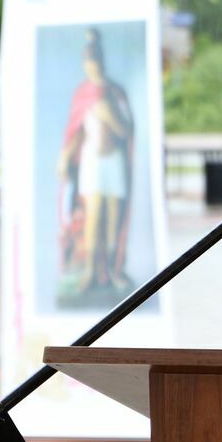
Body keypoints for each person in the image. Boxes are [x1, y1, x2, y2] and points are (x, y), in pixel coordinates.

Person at [57, 28, 135, 298]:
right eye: (88, 62)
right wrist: (65, 156)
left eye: (95, 60)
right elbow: (76, 131)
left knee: (114, 213)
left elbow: (127, 131)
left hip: (113, 159)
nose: (92, 66)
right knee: (93, 214)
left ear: (101, 61)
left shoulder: (115, 92)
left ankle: (112, 269)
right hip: (92, 159)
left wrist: (110, 115)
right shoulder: (83, 93)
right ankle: (90, 271)